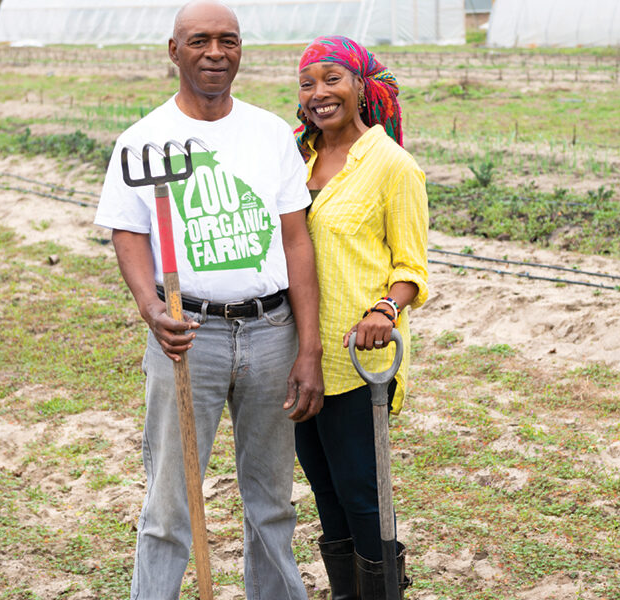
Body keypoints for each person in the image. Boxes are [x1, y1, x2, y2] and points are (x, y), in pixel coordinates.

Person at [94, 3, 324, 599]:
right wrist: (152, 308)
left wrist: (310, 347)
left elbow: (296, 239)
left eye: (229, 40)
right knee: (169, 503)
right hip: (187, 334)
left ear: (242, 50)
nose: (216, 52)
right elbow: (127, 231)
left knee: (272, 502)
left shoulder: (271, 132)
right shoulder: (142, 140)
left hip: (273, 331)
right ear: (175, 51)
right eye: (200, 41)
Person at [293, 36, 429, 600]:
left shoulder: (392, 166)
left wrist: (385, 307)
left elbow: (410, 265)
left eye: (332, 79)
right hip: (298, 353)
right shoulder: (295, 158)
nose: (319, 93)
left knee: (362, 491)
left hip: (356, 357)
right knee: (323, 486)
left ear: (361, 86)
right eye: (307, 83)